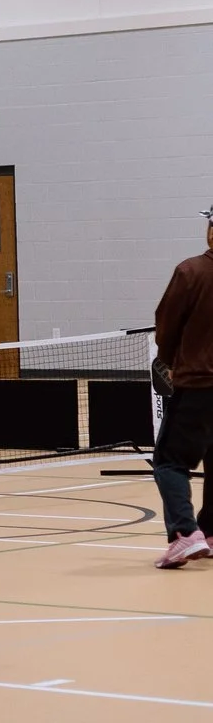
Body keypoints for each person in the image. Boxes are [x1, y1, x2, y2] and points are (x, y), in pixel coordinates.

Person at [148, 204, 213, 569]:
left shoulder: (191, 272)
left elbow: (166, 325)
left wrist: (169, 361)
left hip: (198, 384)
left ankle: (185, 534)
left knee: (169, 461)